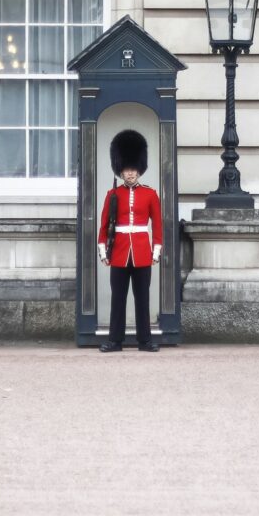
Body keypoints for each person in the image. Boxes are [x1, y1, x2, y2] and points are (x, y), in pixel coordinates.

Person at [97, 129, 162, 353]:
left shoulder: (150, 194)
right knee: (118, 298)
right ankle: (115, 341)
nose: (130, 173)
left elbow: (157, 225)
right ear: (120, 170)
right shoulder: (112, 194)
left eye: (133, 169)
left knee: (142, 298)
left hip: (142, 252)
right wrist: (103, 251)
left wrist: (156, 251)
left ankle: (145, 341)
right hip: (119, 252)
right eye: (126, 169)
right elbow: (104, 225)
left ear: (139, 169)